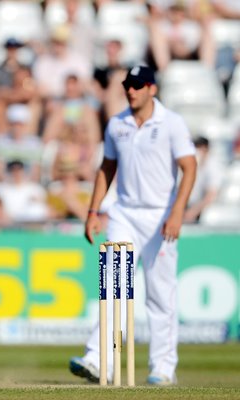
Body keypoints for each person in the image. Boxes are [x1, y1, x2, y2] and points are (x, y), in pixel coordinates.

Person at [69, 66, 197, 386]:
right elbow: (106, 168)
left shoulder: (172, 123)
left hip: (160, 216)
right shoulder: (117, 123)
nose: (131, 90)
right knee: (113, 287)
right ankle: (100, 361)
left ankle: (163, 367)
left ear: (152, 89)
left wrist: (178, 211)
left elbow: (189, 167)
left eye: (138, 85)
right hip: (124, 213)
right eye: (128, 85)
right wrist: (93, 210)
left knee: (159, 294)